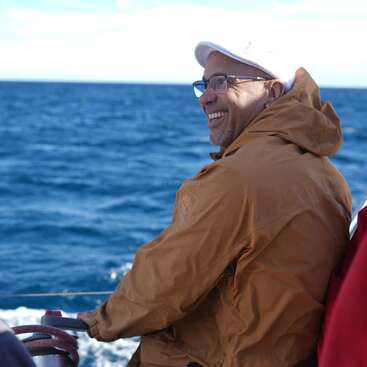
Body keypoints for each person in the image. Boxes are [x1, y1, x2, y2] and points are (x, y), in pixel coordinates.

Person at [78, 41, 352, 367]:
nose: (206, 97)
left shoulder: (240, 177)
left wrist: (98, 322)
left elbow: (167, 280)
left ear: (273, 91)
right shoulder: (329, 177)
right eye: (204, 84)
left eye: (223, 82)